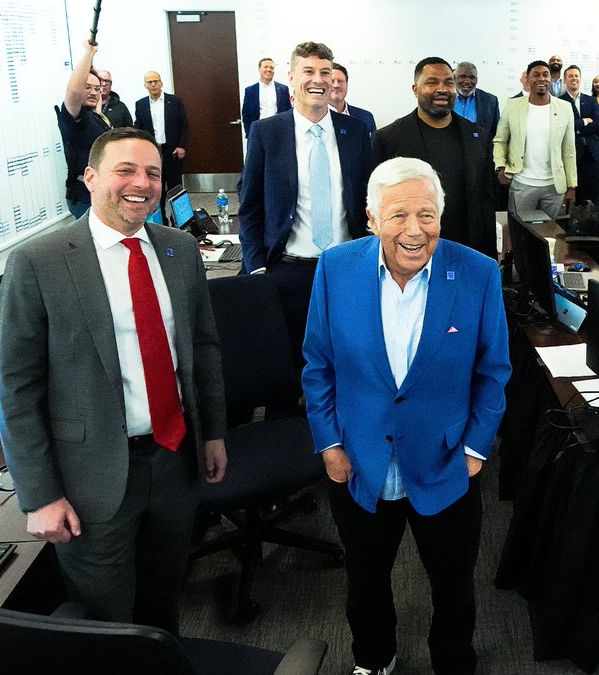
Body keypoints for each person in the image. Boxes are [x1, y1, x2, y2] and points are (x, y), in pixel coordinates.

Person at [0, 126, 227, 634]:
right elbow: (16, 388)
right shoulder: (39, 262)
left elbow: (203, 350)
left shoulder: (179, 249)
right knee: (106, 622)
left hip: (173, 461)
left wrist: (213, 433)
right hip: (90, 478)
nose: (140, 183)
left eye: (152, 173)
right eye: (126, 170)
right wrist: (39, 494)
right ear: (90, 176)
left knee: (164, 602)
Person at [302, 157, 511, 675]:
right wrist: (329, 445)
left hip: (446, 463)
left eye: (427, 214)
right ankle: (375, 659)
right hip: (358, 461)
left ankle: (453, 661)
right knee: (365, 581)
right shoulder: (335, 267)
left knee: (454, 584)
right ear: (370, 218)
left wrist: (474, 450)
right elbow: (317, 365)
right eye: (397, 216)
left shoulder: (479, 273)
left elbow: (494, 371)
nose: (414, 230)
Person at [238, 41, 375, 360]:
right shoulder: (267, 132)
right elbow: (250, 205)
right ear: (291, 77)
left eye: (325, 72)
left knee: (346, 356)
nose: (318, 79)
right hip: (287, 271)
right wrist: (257, 266)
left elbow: (370, 199)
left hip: (345, 269)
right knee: (287, 362)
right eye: (308, 71)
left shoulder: (355, 132)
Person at [374, 57, 497, 258]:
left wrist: (489, 257)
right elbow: (379, 205)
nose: (442, 89)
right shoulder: (388, 139)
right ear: (415, 89)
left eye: (449, 82)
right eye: (432, 82)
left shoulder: (478, 137)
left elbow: (485, 201)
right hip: (410, 249)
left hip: (465, 250)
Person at [492, 60, 577, 218]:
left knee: (554, 235)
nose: (541, 78)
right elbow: (500, 141)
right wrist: (500, 168)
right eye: (536, 75)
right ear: (528, 79)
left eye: (545, 75)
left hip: (555, 186)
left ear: (550, 79)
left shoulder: (565, 107)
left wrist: (571, 186)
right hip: (521, 184)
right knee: (520, 233)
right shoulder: (512, 105)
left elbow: (569, 150)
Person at [57, 40, 110, 217]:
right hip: (83, 196)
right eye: (87, 88)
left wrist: (91, 64)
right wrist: (88, 53)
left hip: (100, 191)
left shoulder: (95, 116)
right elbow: (73, 92)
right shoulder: (74, 117)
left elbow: (96, 100)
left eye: (97, 89)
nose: (94, 92)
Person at [134, 71, 190, 202]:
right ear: (145, 85)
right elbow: (139, 127)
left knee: (175, 188)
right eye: (150, 82)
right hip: (153, 152)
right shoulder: (140, 104)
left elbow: (184, 125)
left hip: (172, 152)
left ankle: (177, 220)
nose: (153, 85)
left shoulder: (175, 101)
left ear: (161, 83)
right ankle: (161, 219)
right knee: (155, 186)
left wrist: (182, 146)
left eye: (156, 81)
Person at [558, 65, 599, 203]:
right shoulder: (560, 102)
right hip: (571, 152)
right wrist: (584, 122)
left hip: (592, 152)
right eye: (570, 76)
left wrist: (576, 127)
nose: (574, 78)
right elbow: (562, 126)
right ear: (565, 80)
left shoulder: (591, 100)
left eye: (576, 76)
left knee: (593, 191)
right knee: (575, 192)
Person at [242, 57, 291, 137]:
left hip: (279, 131)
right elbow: (246, 114)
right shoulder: (250, 91)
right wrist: (249, 133)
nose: (269, 70)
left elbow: (288, 112)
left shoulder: (283, 89)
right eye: (265, 67)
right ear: (259, 69)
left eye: (272, 67)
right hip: (258, 132)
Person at [329, 63, 377, 136]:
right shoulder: (316, 117)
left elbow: (372, 146)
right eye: (332, 81)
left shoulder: (366, 117)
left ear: (346, 84)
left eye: (340, 81)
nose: (336, 85)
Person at [453, 61, 500, 135]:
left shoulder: (490, 101)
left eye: (472, 77)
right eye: (463, 77)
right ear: (454, 78)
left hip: (480, 145)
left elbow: (495, 132)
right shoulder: (445, 98)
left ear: (477, 79)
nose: (467, 81)